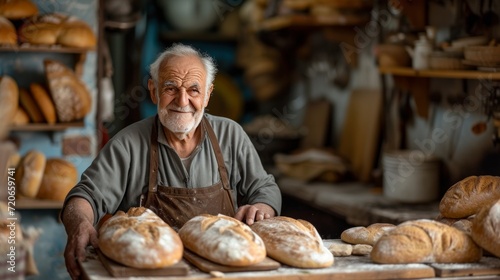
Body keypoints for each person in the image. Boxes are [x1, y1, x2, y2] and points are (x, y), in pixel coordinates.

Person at [61, 43, 282, 279]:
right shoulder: (128, 143)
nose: (182, 100)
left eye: (194, 90)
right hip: (150, 273)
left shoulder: (231, 135)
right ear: (154, 90)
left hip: (219, 272)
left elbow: (265, 189)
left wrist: (261, 209)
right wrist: (81, 223)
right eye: (171, 88)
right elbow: (85, 196)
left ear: (208, 95)